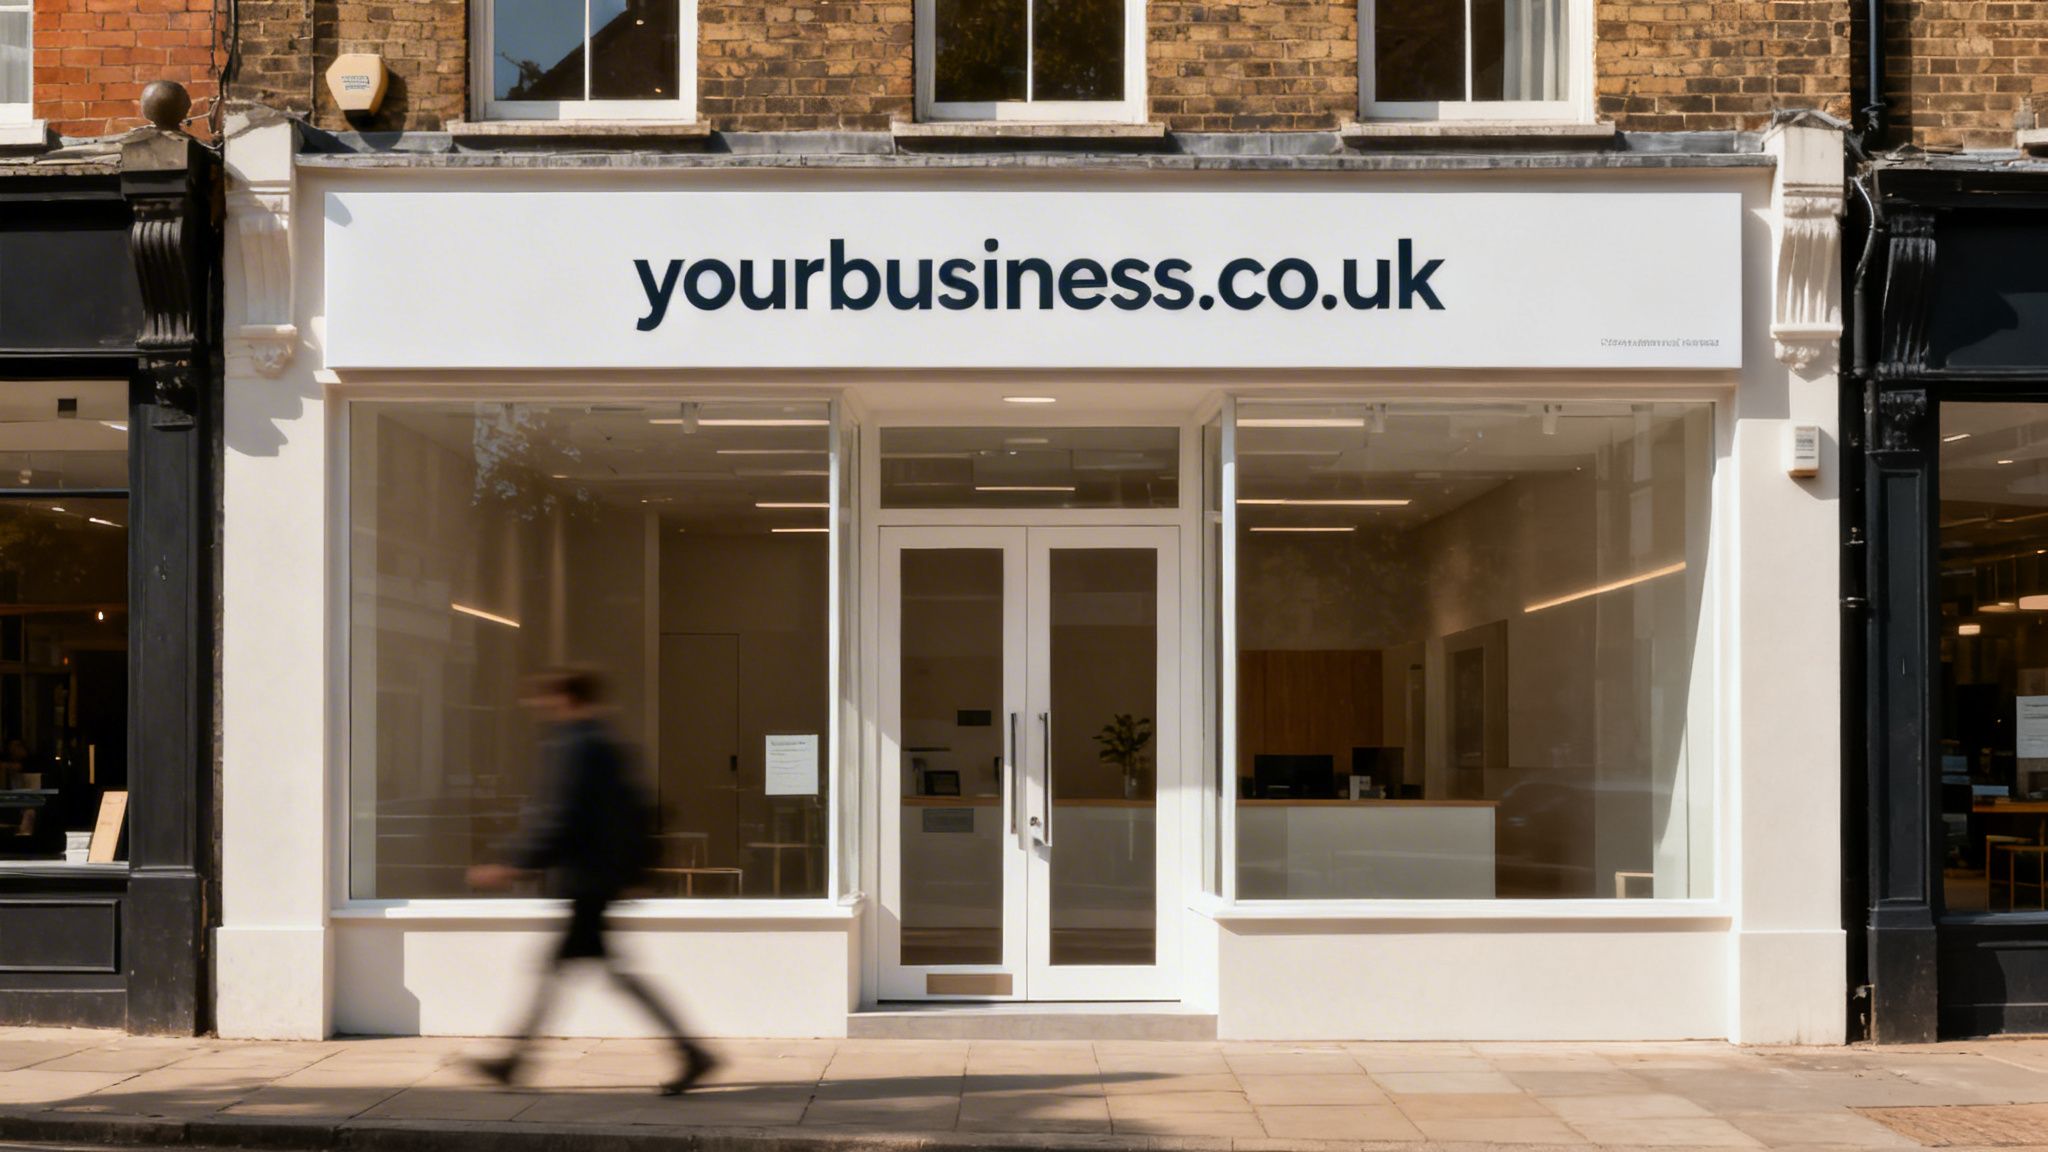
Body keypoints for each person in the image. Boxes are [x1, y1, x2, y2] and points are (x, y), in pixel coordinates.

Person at [466, 668, 716, 1095]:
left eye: (547, 700)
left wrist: (514, 864)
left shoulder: (577, 747)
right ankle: (515, 1061)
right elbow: (638, 810)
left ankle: (693, 1053)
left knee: (573, 972)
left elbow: (561, 817)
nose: (541, 708)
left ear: (566, 698)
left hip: (589, 880)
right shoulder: (607, 744)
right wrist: (636, 873)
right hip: (601, 879)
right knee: (589, 972)